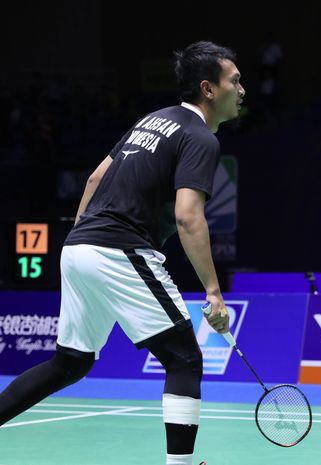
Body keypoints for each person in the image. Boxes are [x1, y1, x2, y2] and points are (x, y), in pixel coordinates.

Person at [0, 40, 245, 465]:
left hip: (79, 247)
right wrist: (213, 292)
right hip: (120, 250)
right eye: (235, 81)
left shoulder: (151, 121)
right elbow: (189, 217)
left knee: (70, 363)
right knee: (184, 357)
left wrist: (83, 236)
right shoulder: (199, 137)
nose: (242, 90)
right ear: (208, 88)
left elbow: (95, 180)